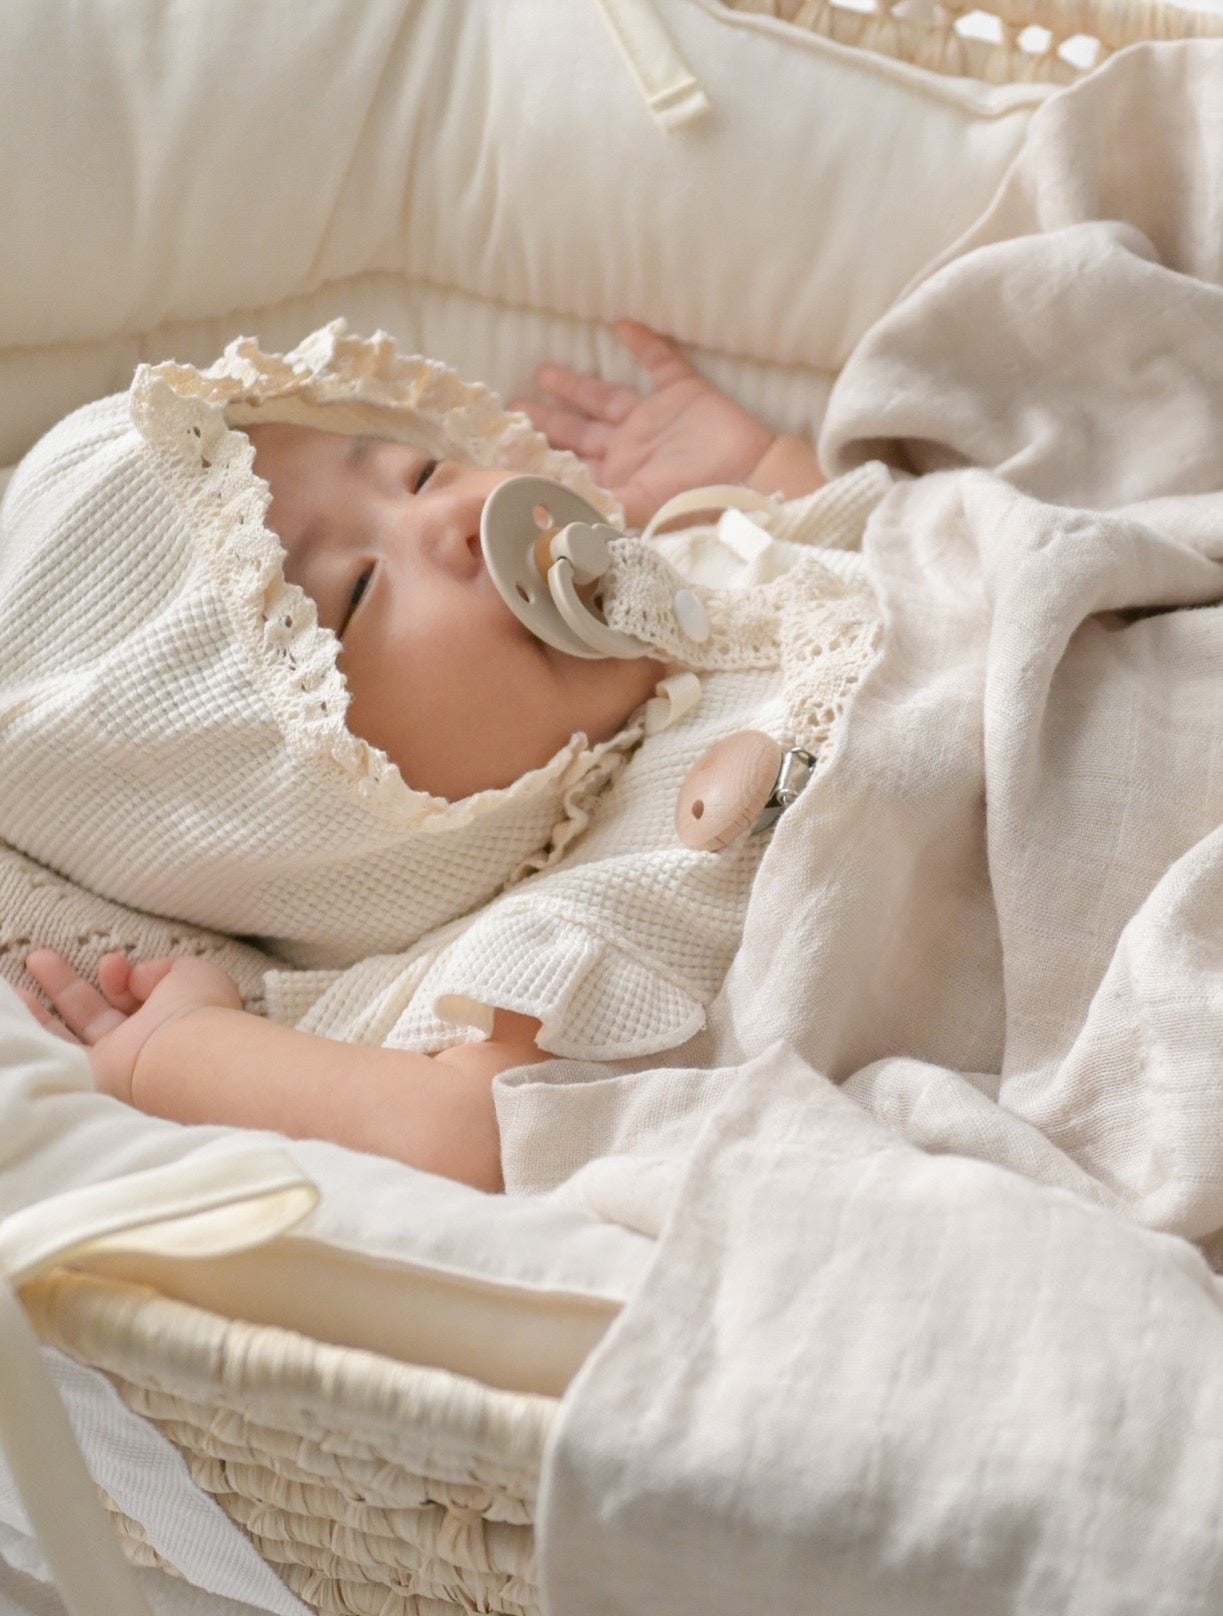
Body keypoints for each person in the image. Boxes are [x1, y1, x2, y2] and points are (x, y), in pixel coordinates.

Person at [2, 322, 881, 1190]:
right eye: (358, 589)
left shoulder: (704, 556)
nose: (458, 514)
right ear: (308, 813)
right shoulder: (546, 940)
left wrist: (764, 469)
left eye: (417, 472)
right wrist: (175, 1052)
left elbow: (914, 552)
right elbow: (462, 1136)